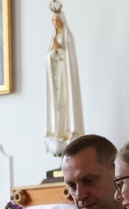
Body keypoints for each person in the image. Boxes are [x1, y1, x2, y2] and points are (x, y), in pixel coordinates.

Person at [45, 2, 82, 156]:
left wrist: (59, 50)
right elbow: (49, 57)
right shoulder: (53, 38)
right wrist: (53, 51)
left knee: (66, 104)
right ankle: (58, 134)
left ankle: (68, 133)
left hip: (64, 77)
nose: (55, 23)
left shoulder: (67, 37)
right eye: (53, 21)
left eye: (57, 20)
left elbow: (68, 58)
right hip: (56, 77)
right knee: (57, 106)